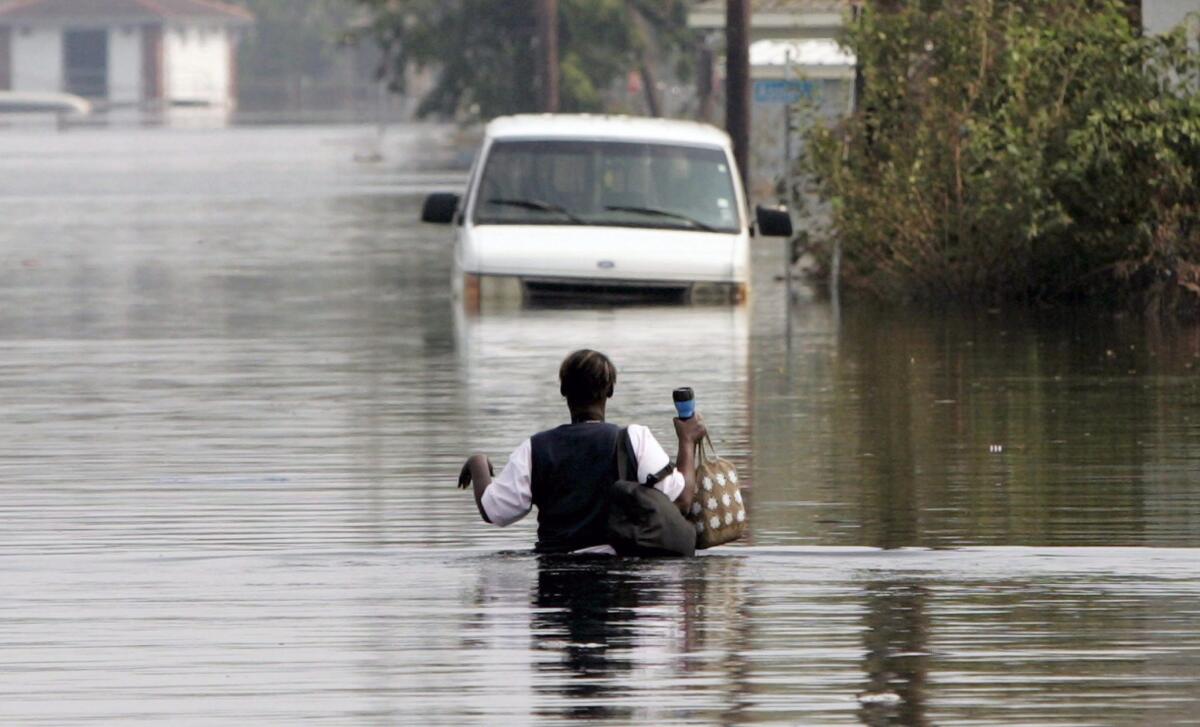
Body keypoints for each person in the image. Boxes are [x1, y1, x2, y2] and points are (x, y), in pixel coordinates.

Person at [457, 349, 707, 554]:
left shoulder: (534, 449)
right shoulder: (635, 439)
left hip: (554, 585)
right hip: (620, 587)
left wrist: (477, 462)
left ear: (563, 391)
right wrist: (686, 440)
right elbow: (682, 500)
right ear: (610, 391)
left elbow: (493, 511)